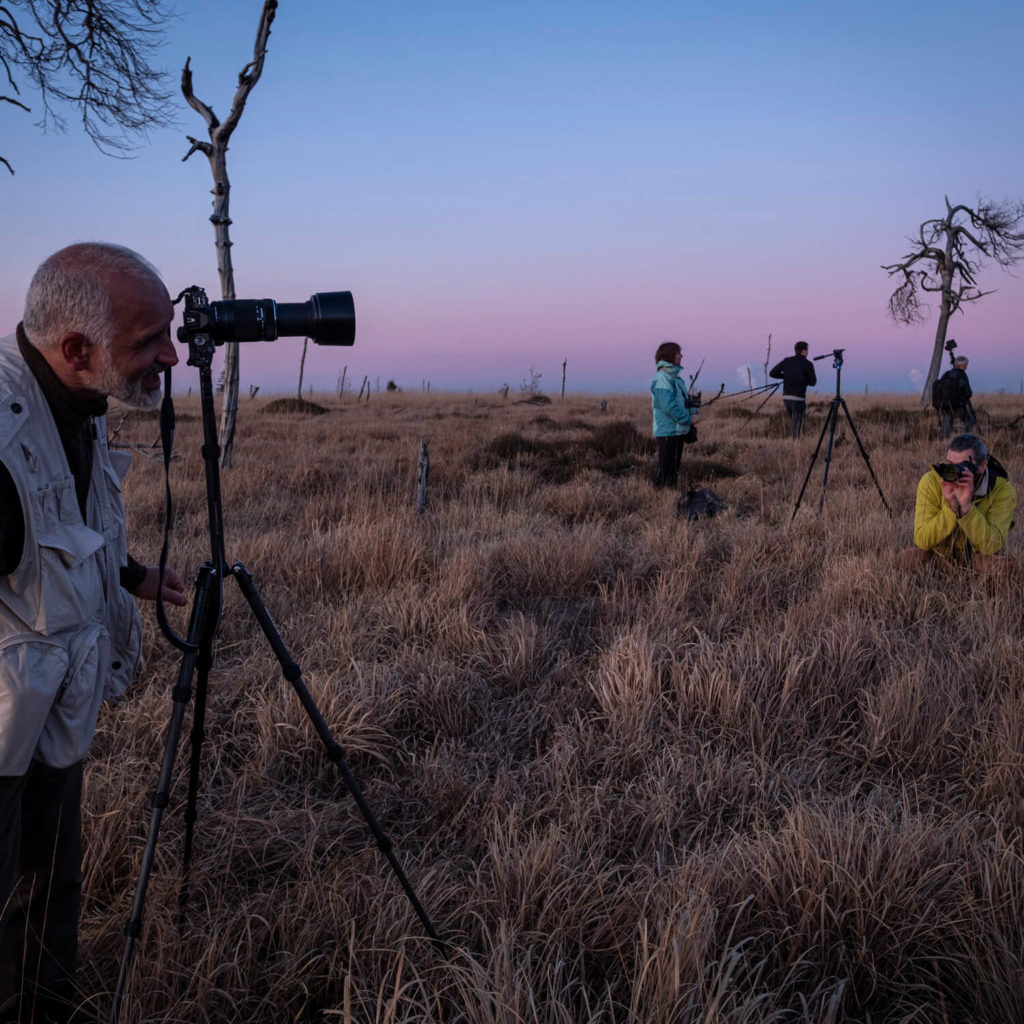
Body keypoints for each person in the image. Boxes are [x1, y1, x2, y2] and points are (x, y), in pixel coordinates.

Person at [0, 243, 188, 1024]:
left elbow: (61, 527)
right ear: (76, 349)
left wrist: (133, 576)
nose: (172, 356)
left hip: (54, 701)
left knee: (51, 885)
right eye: (149, 342)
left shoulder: (73, 401)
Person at [904, 433, 1016, 571]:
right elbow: (922, 540)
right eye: (949, 465)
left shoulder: (1002, 491)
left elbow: (992, 545)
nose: (953, 471)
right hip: (939, 557)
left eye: (962, 466)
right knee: (907, 559)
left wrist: (967, 508)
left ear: (982, 465)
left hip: (979, 558)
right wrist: (951, 506)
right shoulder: (931, 482)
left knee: (1003, 568)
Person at [650, 341, 696, 489]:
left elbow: (684, 402)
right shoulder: (663, 377)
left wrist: (693, 411)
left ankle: (669, 499)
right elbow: (668, 406)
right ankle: (658, 500)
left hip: (677, 430)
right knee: (665, 469)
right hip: (668, 431)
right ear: (669, 355)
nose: (681, 356)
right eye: (678, 353)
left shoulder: (677, 379)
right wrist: (689, 419)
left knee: (673, 469)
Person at [769, 340, 816, 438]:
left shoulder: (786, 361)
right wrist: (803, 379)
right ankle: (795, 445)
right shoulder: (808, 364)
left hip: (786, 398)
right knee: (797, 424)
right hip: (799, 398)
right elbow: (813, 382)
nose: (807, 352)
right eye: (807, 350)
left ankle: (795, 442)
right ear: (804, 351)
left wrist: (786, 376)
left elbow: (772, 373)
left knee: (794, 422)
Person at [932, 353, 977, 438]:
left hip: (945, 405)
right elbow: (967, 392)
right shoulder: (962, 375)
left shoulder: (947, 374)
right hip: (958, 405)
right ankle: (963, 438)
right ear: (962, 365)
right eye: (965, 364)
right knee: (970, 420)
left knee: (946, 426)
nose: (966, 366)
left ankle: (942, 440)